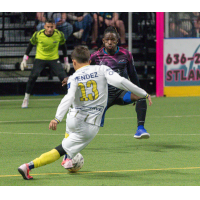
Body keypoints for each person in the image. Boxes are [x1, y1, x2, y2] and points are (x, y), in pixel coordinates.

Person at [17, 45, 152, 180]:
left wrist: (57, 118)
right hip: (88, 125)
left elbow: (68, 98)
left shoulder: (73, 77)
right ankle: (28, 166)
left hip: (72, 118)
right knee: (59, 150)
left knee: (69, 136)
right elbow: (121, 81)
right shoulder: (102, 69)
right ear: (89, 59)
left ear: (74, 62)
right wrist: (143, 93)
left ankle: (67, 159)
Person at [90, 26, 149, 139]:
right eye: (107, 40)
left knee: (141, 96)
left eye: (112, 39)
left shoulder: (126, 54)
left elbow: (133, 74)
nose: (110, 42)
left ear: (117, 40)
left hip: (122, 93)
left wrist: (138, 90)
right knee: (92, 126)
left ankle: (140, 129)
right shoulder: (95, 56)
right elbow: (84, 71)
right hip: (104, 96)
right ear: (103, 41)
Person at [21, 18, 70, 108]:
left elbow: (64, 46)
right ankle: (26, 99)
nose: (50, 29)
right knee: (33, 76)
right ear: (44, 26)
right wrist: (24, 59)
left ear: (54, 26)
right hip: (40, 58)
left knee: (63, 77)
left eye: (52, 27)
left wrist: (66, 61)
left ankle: (71, 99)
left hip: (54, 59)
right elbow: (30, 45)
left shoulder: (59, 34)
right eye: (48, 27)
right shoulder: (38, 35)